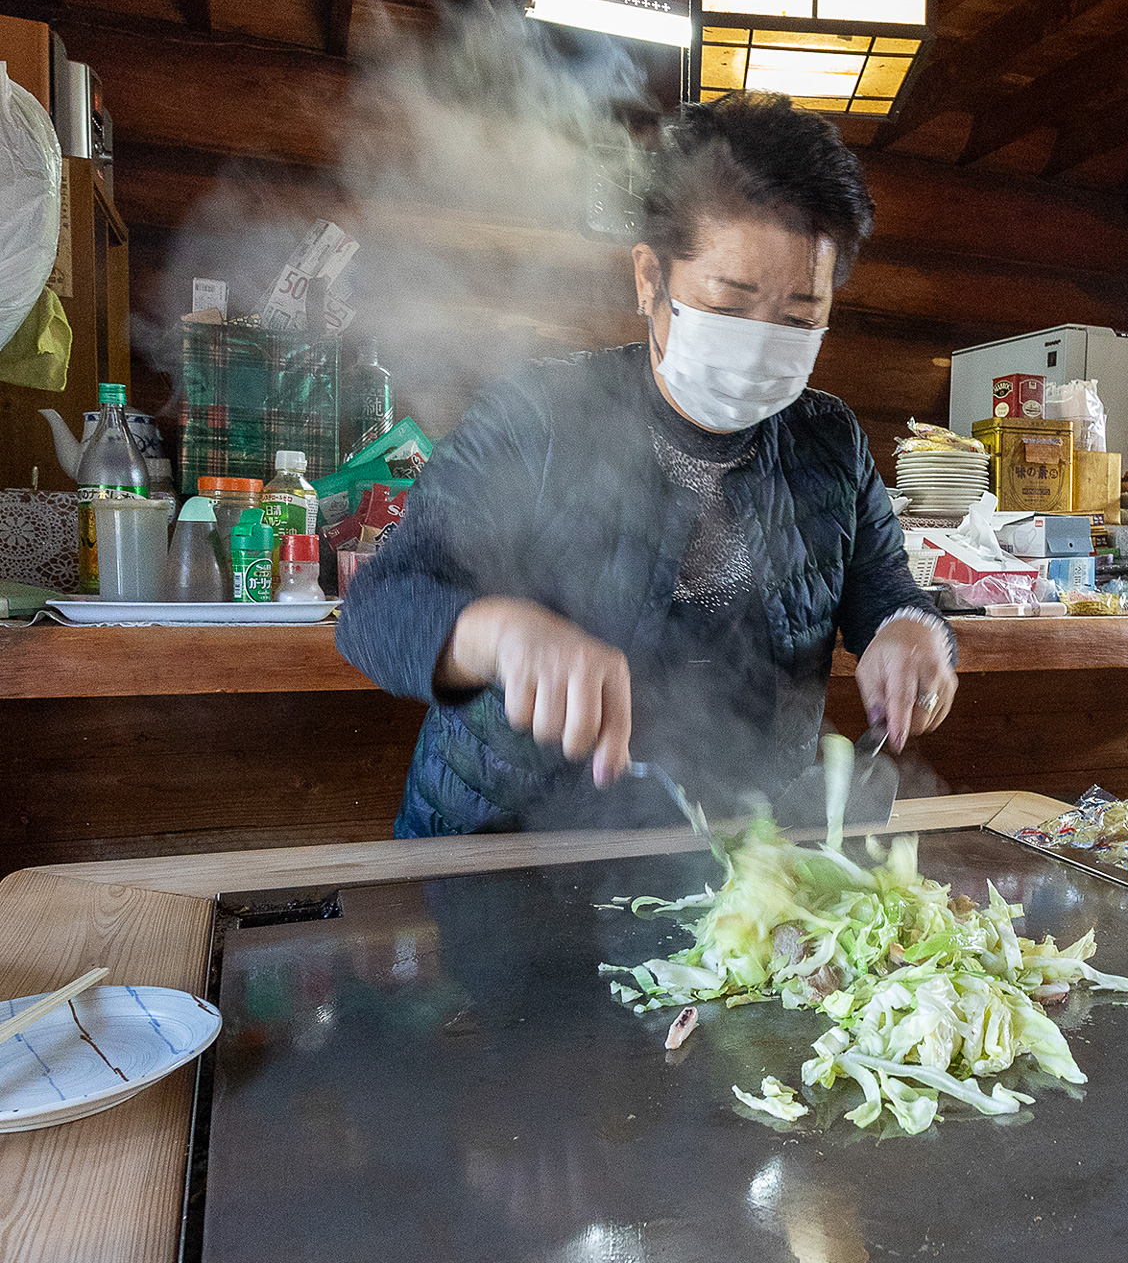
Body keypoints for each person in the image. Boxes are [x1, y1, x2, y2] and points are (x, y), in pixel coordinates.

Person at [337, 91, 957, 838]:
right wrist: (502, 634)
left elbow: (885, 591)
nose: (763, 343)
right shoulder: (540, 415)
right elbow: (376, 607)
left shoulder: (828, 439)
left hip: (745, 859)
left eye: (799, 319)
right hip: (514, 853)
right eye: (728, 306)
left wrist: (911, 630)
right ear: (649, 280)